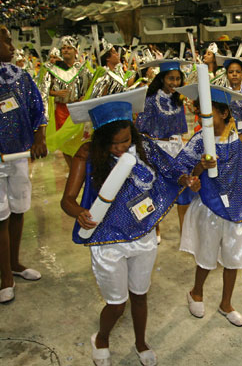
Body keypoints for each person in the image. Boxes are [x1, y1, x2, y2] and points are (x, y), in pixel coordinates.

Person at [60, 88, 200, 366]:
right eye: (114, 144)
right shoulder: (87, 154)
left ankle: (140, 342)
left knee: (140, 295)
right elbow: (67, 200)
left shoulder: (144, 147)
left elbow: (173, 172)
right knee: (116, 303)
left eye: (126, 140)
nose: (121, 148)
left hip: (142, 235)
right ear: (100, 139)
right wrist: (79, 213)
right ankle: (101, 338)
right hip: (107, 241)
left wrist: (187, 179)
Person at [177, 84, 242, 327]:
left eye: (209, 113)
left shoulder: (239, 140)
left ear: (224, 113)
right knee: (206, 255)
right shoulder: (200, 140)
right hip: (209, 207)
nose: (205, 118)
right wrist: (199, 171)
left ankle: (226, 303)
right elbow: (184, 173)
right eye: (201, 113)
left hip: (236, 209)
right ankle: (196, 292)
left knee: (232, 259)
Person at [0, 25, 48, 304]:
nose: (12, 45)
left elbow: (37, 110)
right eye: (5, 41)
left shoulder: (20, 76)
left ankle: (14, 263)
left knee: (18, 208)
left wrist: (39, 137)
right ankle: (4, 274)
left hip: (18, 155)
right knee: (1, 215)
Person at [136, 59, 191, 237]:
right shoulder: (150, 100)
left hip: (177, 148)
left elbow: (182, 126)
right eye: (171, 78)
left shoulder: (178, 100)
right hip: (157, 148)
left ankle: (185, 230)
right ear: (162, 79)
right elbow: (141, 127)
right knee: (155, 191)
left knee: (183, 189)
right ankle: (155, 228)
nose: (175, 83)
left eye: (177, 79)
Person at [41, 36, 93, 166]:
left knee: (80, 141)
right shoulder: (52, 69)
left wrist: (85, 96)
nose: (65, 50)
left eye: (69, 48)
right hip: (62, 110)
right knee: (65, 142)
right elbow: (42, 90)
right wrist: (55, 93)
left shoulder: (84, 68)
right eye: (63, 48)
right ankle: (72, 168)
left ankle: (79, 168)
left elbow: (93, 86)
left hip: (79, 109)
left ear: (76, 51)